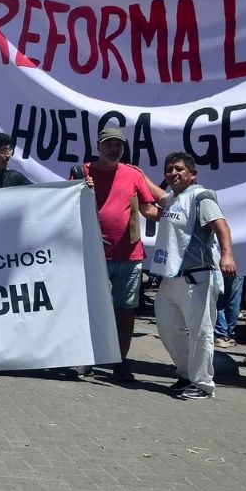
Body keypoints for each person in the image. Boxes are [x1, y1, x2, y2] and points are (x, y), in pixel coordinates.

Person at [144, 152, 236, 400]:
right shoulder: (175, 198)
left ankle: (203, 384)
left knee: (200, 331)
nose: (173, 173)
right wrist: (139, 176)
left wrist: (227, 255)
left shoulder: (201, 196)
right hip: (171, 276)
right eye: (169, 169)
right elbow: (158, 196)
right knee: (168, 328)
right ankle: (186, 374)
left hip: (198, 276)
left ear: (192, 174)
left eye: (178, 169)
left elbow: (221, 225)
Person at [78, 127, 163, 383]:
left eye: (119, 146)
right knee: (92, 309)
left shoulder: (132, 174)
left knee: (125, 310)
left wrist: (177, 215)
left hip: (130, 254)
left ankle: (120, 361)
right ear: (99, 146)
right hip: (94, 255)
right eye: (109, 145)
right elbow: (68, 205)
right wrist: (81, 188)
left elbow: (149, 208)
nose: (114, 150)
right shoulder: (83, 172)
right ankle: (87, 358)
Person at [213, 274, 244, 350]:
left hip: (218, 268)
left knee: (218, 300)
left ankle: (221, 335)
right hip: (237, 268)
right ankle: (230, 335)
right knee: (233, 301)